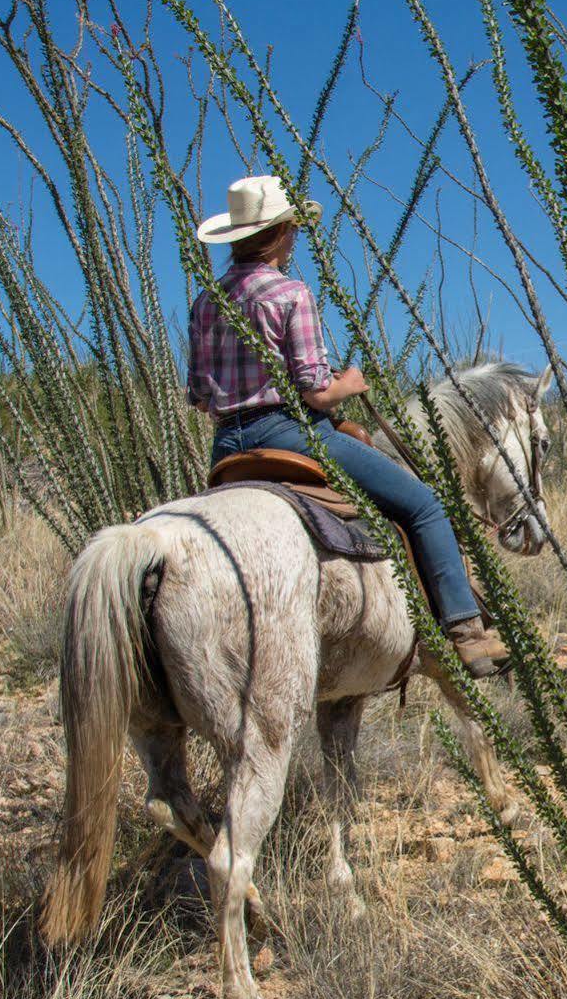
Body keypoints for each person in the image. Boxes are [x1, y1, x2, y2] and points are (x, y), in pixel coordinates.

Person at [188, 175, 509, 678]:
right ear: (281, 232)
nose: (295, 238)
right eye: (292, 229)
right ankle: (466, 630)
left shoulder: (206, 302)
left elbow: (200, 397)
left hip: (227, 444)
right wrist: (351, 383)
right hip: (290, 432)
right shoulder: (291, 293)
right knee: (424, 506)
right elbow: (317, 391)